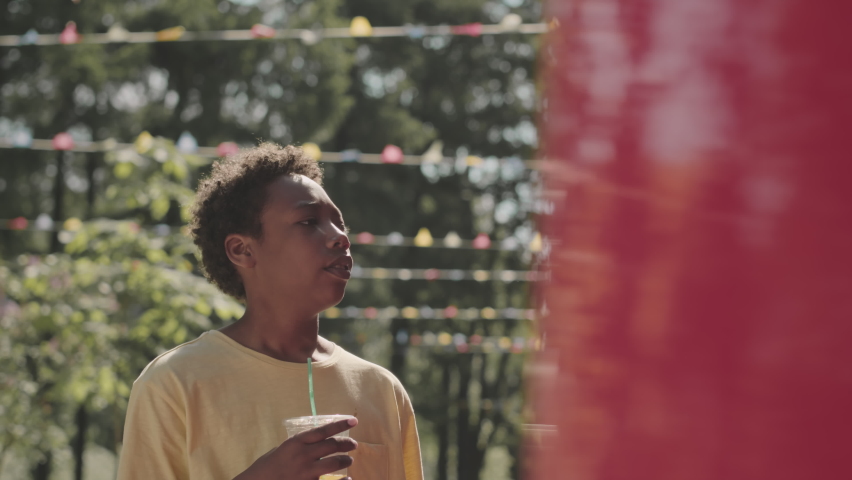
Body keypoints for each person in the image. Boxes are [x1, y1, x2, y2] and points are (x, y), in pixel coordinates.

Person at [116, 143, 424, 480]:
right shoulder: (173, 384)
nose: (340, 238)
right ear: (242, 250)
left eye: (340, 225)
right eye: (308, 222)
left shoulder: (382, 391)